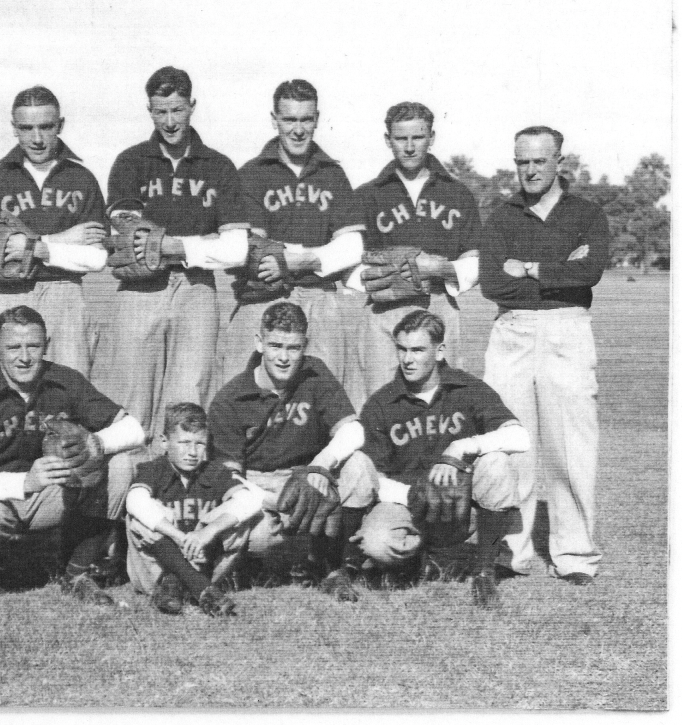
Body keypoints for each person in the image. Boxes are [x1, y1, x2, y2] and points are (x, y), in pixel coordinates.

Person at [0, 305, 145, 603]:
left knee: (120, 464)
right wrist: (24, 481)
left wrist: (96, 444)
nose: (24, 357)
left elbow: (134, 429)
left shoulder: (65, 380)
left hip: (50, 495)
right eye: (13, 347)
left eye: (33, 346)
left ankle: (77, 568)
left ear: (47, 345)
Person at [480, 125, 610, 584]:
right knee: (510, 441)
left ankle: (574, 555)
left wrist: (530, 267)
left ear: (559, 161)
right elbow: (494, 284)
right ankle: (509, 552)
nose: (530, 169)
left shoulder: (587, 214)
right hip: (512, 330)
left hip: (566, 329)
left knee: (570, 446)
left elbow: (589, 273)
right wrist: (560, 268)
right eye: (522, 161)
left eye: (539, 160)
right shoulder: (501, 217)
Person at [94, 66, 247, 439]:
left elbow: (236, 249)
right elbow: (129, 231)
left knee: (189, 391)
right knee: (132, 390)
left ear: (192, 106)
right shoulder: (131, 161)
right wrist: (200, 245)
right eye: (160, 112)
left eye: (177, 110)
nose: (170, 121)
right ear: (149, 110)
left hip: (196, 287)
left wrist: (170, 246)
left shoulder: (219, 166)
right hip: (141, 286)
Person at [206, 301, 378, 600]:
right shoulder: (230, 398)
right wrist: (276, 501)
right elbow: (228, 482)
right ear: (259, 343)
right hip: (258, 484)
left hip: (310, 472)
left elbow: (353, 431)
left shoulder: (314, 372)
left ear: (305, 346)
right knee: (258, 538)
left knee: (359, 466)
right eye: (275, 346)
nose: (284, 358)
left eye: (293, 348)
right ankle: (276, 562)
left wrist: (321, 465)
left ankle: (333, 567)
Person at [356, 309, 530, 606]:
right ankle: (417, 561)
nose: (407, 359)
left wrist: (461, 447)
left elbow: (519, 437)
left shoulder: (467, 389)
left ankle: (484, 572)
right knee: (376, 544)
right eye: (402, 349)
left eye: (418, 350)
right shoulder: (382, 402)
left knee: (496, 461)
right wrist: (414, 494)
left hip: (460, 508)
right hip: (408, 507)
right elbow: (373, 474)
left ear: (440, 351)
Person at [218, 79, 363, 387]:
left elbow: (351, 247)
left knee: (326, 392)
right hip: (263, 295)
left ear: (317, 119)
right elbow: (254, 250)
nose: (298, 129)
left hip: (319, 297)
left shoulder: (333, 175)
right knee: (242, 389)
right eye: (289, 119)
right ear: (274, 120)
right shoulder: (252, 173)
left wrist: (293, 259)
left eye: (306, 119)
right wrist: (321, 254)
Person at [344, 101, 482, 406]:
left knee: (445, 402)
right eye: (400, 138)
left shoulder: (457, 193)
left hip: (439, 305)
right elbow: (349, 266)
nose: (409, 147)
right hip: (384, 309)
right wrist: (388, 275)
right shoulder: (368, 194)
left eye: (417, 138)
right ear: (387, 140)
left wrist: (437, 268)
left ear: (431, 137)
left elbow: (475, 263)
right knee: (379, 402)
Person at [0, 87, 108, 376]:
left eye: (46, 126)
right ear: (14, 128)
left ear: (60, 125)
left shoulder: (81, 178)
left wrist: (28, 247)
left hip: (65, 294)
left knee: (66, 391)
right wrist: (63, 241)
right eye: (27, 128)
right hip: (4, 293)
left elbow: (95, 259)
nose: (37, 138)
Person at [122, 403, 255, 617]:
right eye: (184, 443)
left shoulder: (213, 471)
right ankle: (199, 588)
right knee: (142, 516)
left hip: (203, 561)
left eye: (200, 444)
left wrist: (207, 532)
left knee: (236, 514)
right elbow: (135, 500)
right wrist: (179, 537)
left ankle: (182, 585)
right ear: (165, 442)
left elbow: (249, 500)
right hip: (155, 571)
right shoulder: (154, 469)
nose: (192, 452)